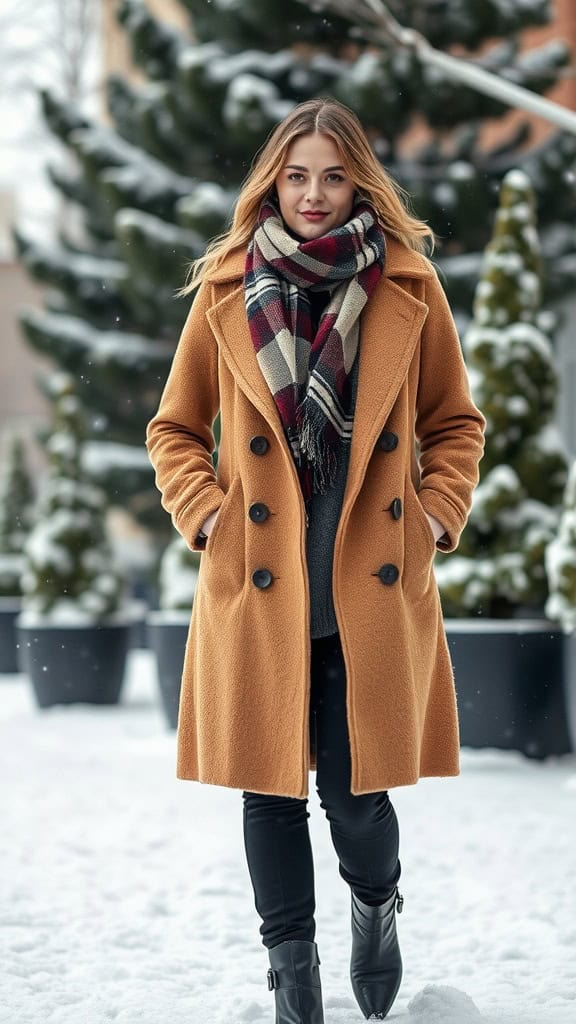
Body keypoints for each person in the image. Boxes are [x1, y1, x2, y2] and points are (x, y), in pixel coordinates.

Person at [145, 97, 486, 1023]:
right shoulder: (225, 288)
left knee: (358, 801)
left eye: (333, 176)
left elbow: (455, 424)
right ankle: (291, 975)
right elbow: (175, 428)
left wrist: (434, 517)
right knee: (267, 796)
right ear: (273, 180)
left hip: (364, 591)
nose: (313, 193)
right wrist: (208, 514)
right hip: (260, 588)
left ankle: (376, 905)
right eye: (296, 175)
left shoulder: (408, 288)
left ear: (357, 180)